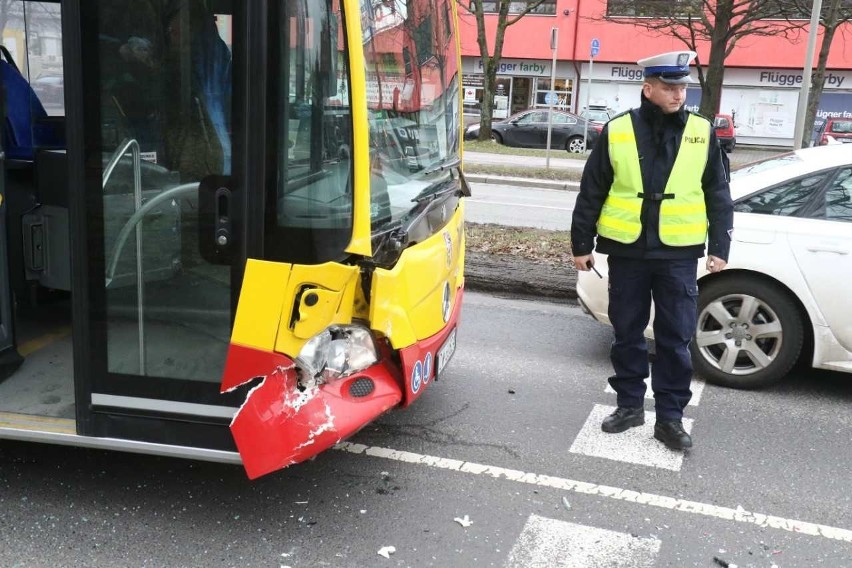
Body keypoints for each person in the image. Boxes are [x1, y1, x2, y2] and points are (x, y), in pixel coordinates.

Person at [570, 50, 734, 451]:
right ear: (648, 88)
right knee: (627, 331)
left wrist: (720, 245)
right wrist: (581, 242)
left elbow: (718, 191)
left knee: (675, 338)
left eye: (682, 87)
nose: (678, 94)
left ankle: (670, 418)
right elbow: (593, 188)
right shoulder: (618, 130)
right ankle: (629, 405)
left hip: (678, 253)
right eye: (668, 87)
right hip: (629, 250)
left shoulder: (701, 131)